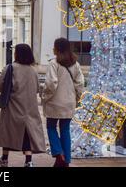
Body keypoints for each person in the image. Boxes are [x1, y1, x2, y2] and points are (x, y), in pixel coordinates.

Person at [0, 44, 46, 167]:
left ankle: (4, 159)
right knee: (27, 133)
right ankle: (28, 161)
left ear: (17, 54)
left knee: (8, 132)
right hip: (30, 107)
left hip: (12, 106)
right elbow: (37, 89)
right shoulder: (33, 70)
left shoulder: (10, 68)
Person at [42, 38, 84, 167]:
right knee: (65, 130)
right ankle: (65, 160)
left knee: (51, 127)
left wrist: (45, 96)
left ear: (57, 49)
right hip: (69, 103)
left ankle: (58, 152)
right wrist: (77, 98)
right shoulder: (75, 64)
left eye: (54, 47)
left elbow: (51, 84)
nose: (52, 49)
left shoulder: (54, 64)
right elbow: (80, 84)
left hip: (55, 103)